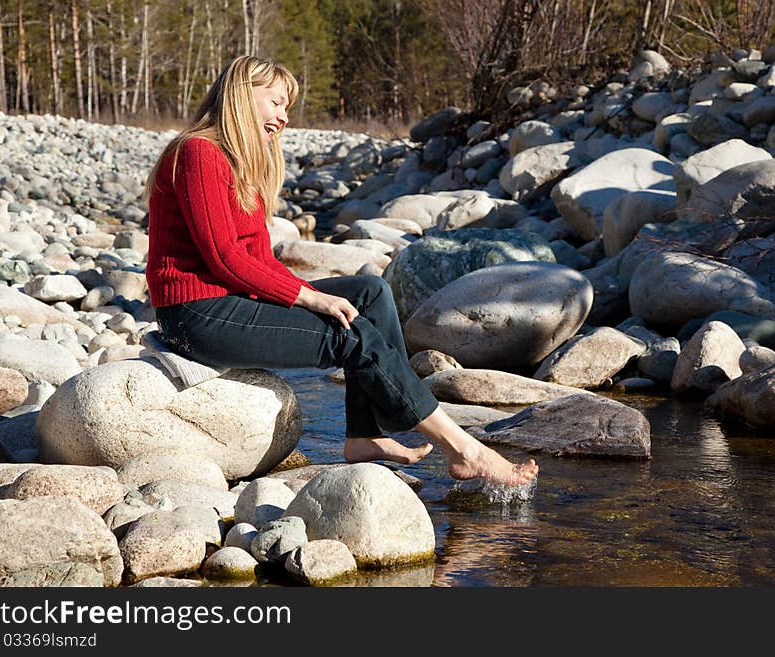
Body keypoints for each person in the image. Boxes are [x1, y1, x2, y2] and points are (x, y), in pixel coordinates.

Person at [145, 55, 538, 486]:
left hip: (226, 301)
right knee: (352, 336)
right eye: (275, 102)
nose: (284, 116)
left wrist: (306, 293)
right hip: (196, 313)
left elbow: (257, 261)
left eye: (286, 107)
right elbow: (224, 258)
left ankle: (364, 435)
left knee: (369, 292)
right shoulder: (198, 152)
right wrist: (310, 297)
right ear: (242, 95)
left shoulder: (237, 166)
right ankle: (464, 449)